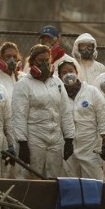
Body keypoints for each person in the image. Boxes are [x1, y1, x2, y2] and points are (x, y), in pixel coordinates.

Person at [12, 44, 75, 179]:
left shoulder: (57, 82)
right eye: (41, 61)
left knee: (54, 177)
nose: (45, 64)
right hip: (34, 138)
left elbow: (65, 111)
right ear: (32, 62)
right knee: (32, 176)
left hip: (56, 138)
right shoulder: (23, 85)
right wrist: (22, 143)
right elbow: (19, 116)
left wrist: (69, 138)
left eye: (47, 60)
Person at [57, 59, 105, 180]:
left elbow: (103, 116)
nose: (68, 74)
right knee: (70, 182)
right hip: (67, 147)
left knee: (94, 182)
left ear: (77, 72)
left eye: (71, 71)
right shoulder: (58, 94)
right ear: (59, 76)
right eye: (64, 72)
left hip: (90, 147)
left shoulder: (91, 91)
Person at [0, 42, 23, 175]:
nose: (12, 60)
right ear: (0, 58)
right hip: (1, 130)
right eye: (7, 56)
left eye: (14, 57)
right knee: (2, 170)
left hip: (19, 129)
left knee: (18, 170)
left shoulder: (21, 77)